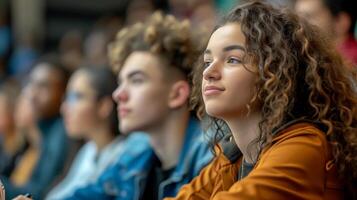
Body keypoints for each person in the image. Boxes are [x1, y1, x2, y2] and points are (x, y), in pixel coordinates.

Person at [167, 1, 357, 199]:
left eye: (232, 59)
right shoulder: (232, 158)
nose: (208, 72)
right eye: (207, 61)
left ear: (275, 73)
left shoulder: (304, 147)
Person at [61, 12, 213, 200]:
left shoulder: (209, 154)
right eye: (120, 82)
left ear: (177, 94)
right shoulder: (135, 151)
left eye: (136, 80)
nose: (118, 94)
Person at [45, 66, 124, 199]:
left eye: (75, 97)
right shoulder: (88, 150)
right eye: (66, 98)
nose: (65, 108)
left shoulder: (124, 156)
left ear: (103, 106)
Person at [1, 55, 72, 199]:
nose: (32, 93)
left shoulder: (61, 132)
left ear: (63, 93)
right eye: (31, 83)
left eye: (43, 86)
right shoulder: (45, 131)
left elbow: (38, 192)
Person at [295, 0, 357, 67]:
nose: (298, 26)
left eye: (308, 17)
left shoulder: (348, 64)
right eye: (296, 18)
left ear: (340, 21)